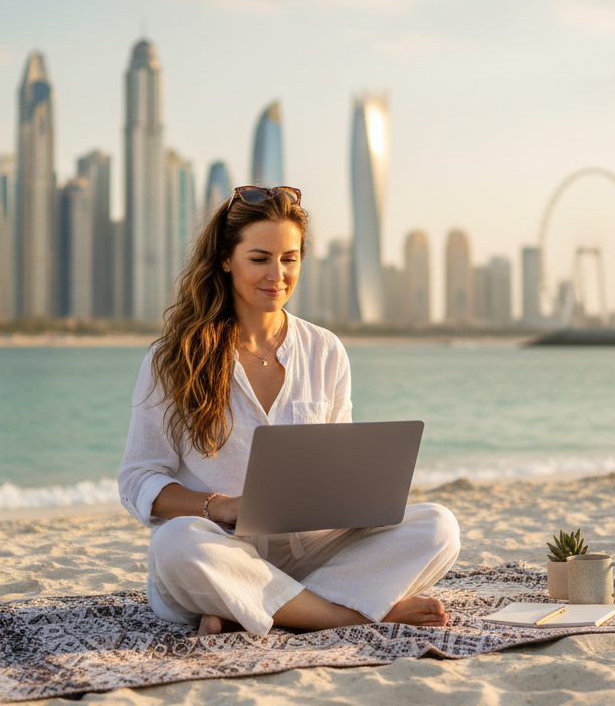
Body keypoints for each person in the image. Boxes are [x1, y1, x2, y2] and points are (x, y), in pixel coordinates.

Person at [118, 185, 461, 637]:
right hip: (221, 548)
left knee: (438, 526)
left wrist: (358, 500)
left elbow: (338, 463)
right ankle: (346, 614)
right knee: (175, 544)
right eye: (259, 259)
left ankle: (257, 607)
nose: (276, 275)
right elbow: (139, 480)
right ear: (226, 259)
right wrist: (219, 506)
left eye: (290, 259)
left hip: (312, 549)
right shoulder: (173, 357)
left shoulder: (326, 351)